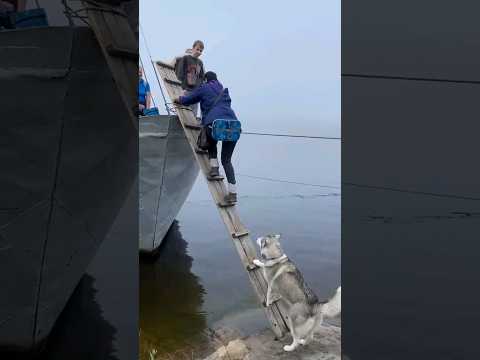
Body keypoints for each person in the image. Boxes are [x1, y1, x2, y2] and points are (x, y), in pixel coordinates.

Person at [173, 71, 239, 204]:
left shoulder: (204, 87)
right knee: (227, 160)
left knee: (210, 140)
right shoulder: (224, 91)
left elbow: (187, 100)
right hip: (234, 125)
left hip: (214, 123)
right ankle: (233, 193)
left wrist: (178, 99)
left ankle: (214, 169)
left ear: (205, 80)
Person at [174, 40, 205, 117]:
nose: (199, 52)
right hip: (186, 89)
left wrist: (200, 90)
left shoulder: (200, 63)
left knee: (193, 115)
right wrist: (181, 88)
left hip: (195, 92)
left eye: (201, 51)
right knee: (184, 112)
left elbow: (201, 77)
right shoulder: (185, 58)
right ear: (193, 48)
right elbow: (179, 73)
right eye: (197, 49)